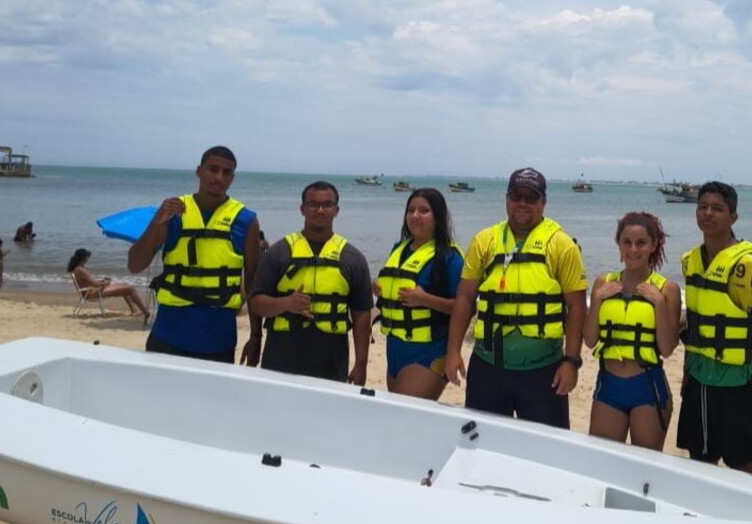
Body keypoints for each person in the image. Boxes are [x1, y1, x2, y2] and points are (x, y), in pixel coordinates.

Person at [445, 167, 588, 429]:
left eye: (531, 198)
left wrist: (571, 362)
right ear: (506, 199)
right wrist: (453, 351)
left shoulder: (562, 245)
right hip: (488, 367)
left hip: (544, 370)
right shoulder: (484, 241)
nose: (522, 203)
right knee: (482, 440)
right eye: (516, 196)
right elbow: (465, 298)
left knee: (545, 447)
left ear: (543, 202)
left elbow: (577, 307)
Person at [676, 181, 752, 475]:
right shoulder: (691, 261)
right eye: (702, 207)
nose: (708, 213)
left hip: (738, 387)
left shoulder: (748, 265)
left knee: (742, 470)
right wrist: (687, 376)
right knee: (700, 467)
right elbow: (695, 325)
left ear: (733, 217)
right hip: (698, 383)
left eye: (717, 208)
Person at [128, 146, 262, 365]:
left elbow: (254, 283)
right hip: (168, 335)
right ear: (199, 171)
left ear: (232, 178)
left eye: (226, 172)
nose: (219, 177)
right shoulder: (173, 212)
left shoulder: (246, 220)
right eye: (213, 169)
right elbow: (134, 265)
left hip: (218, 341)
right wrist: (156, 223)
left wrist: (256, 336)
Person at [249, 181, 373, 384]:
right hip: (281, 356)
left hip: (331, 359)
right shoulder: (279, 252)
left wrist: (361, 364)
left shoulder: (353, 258)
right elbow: (255, 302)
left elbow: (361, 314)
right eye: (313, 205)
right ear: (302, 209)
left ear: (337, 210)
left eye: (327, 205)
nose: (320, 210)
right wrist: (286, 303)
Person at [584, 212, 681, 450]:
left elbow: (667, 349)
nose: (633, 249)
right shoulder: (602, 284)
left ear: (653, 245)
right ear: (618, 244)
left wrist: (658, 303)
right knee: (603, 458)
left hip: (647, 386)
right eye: (626, 242)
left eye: (641, 243)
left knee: (644, 464)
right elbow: (589, 340)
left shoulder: (667, 290)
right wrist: (597, 299)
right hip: (609, 384)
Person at [373, 188, 464, 400]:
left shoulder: (449, 257)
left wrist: (425, 299)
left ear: (438, 216)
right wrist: (379, 289)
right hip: (395, 348)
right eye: (411, 210)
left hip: (429, 350)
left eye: (424, 211)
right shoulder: (399, 249)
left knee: (404, 414)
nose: (415, 216)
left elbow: (465, 307)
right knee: (399, 412)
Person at [68, 248, 150, 319]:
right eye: (87, 257)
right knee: (130, 288)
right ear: (83, 258)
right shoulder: (80, 270)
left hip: (92, 291)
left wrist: (102, 282)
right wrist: (105, 283)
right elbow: (95, 284)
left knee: (125, 285)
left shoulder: (77, 269)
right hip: (92, 294)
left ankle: (134, 311)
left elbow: (91, 282)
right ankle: (145, 311)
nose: (88, 259)